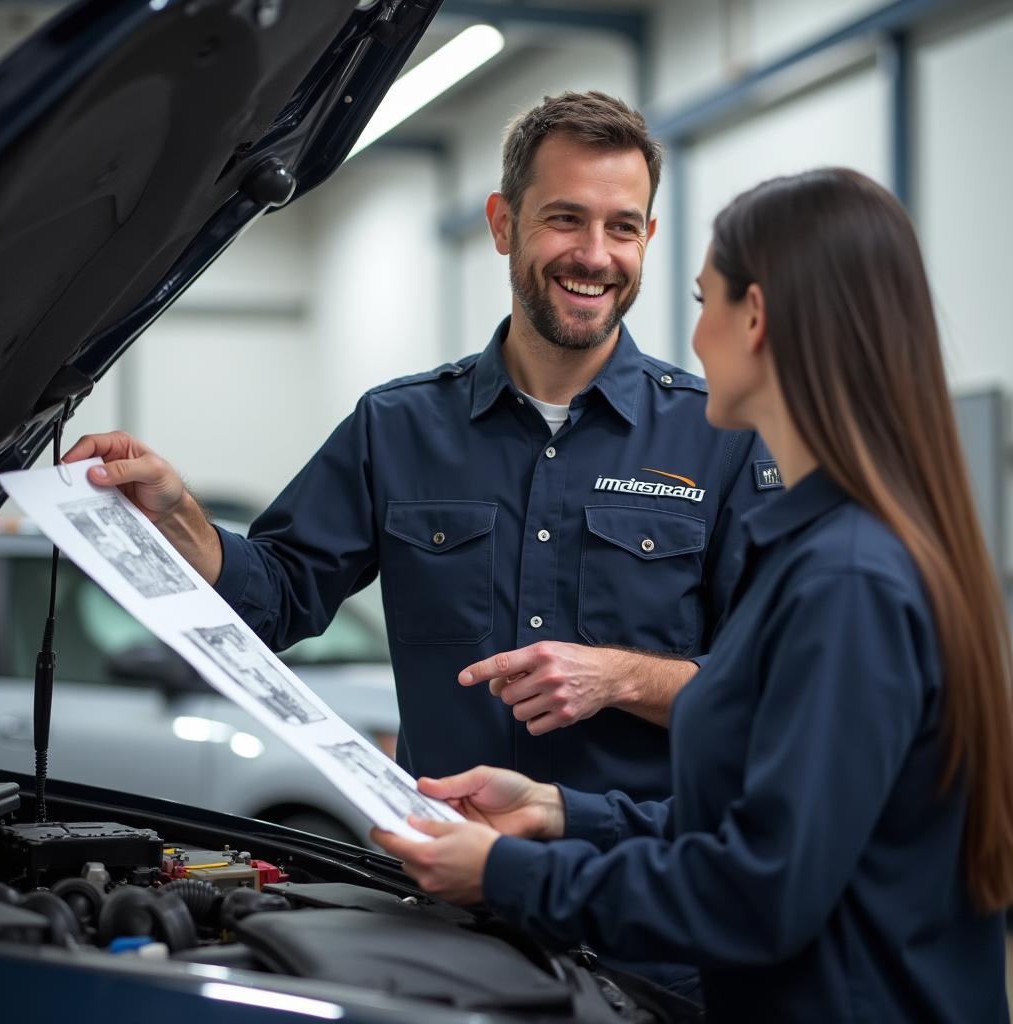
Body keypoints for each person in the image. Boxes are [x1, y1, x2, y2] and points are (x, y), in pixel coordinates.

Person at [370, 168, 1013, 1022]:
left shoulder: (848, 580)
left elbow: (759, 888)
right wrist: (559, 811)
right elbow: (756, 823)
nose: (695, 337)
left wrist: (503, 873)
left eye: (706, 299)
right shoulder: (821, 552)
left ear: (758, 320)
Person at [66, 91, 775, 806]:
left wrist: (622, 677)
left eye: (621, 227)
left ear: (646, 237)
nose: (594, 256)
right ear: (503, 224)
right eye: (565, 218)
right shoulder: (397, 427)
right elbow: (276, 599)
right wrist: (179, 516)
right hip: (447, 880)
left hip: (636, 887)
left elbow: (771, 690)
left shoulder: (721, 438)